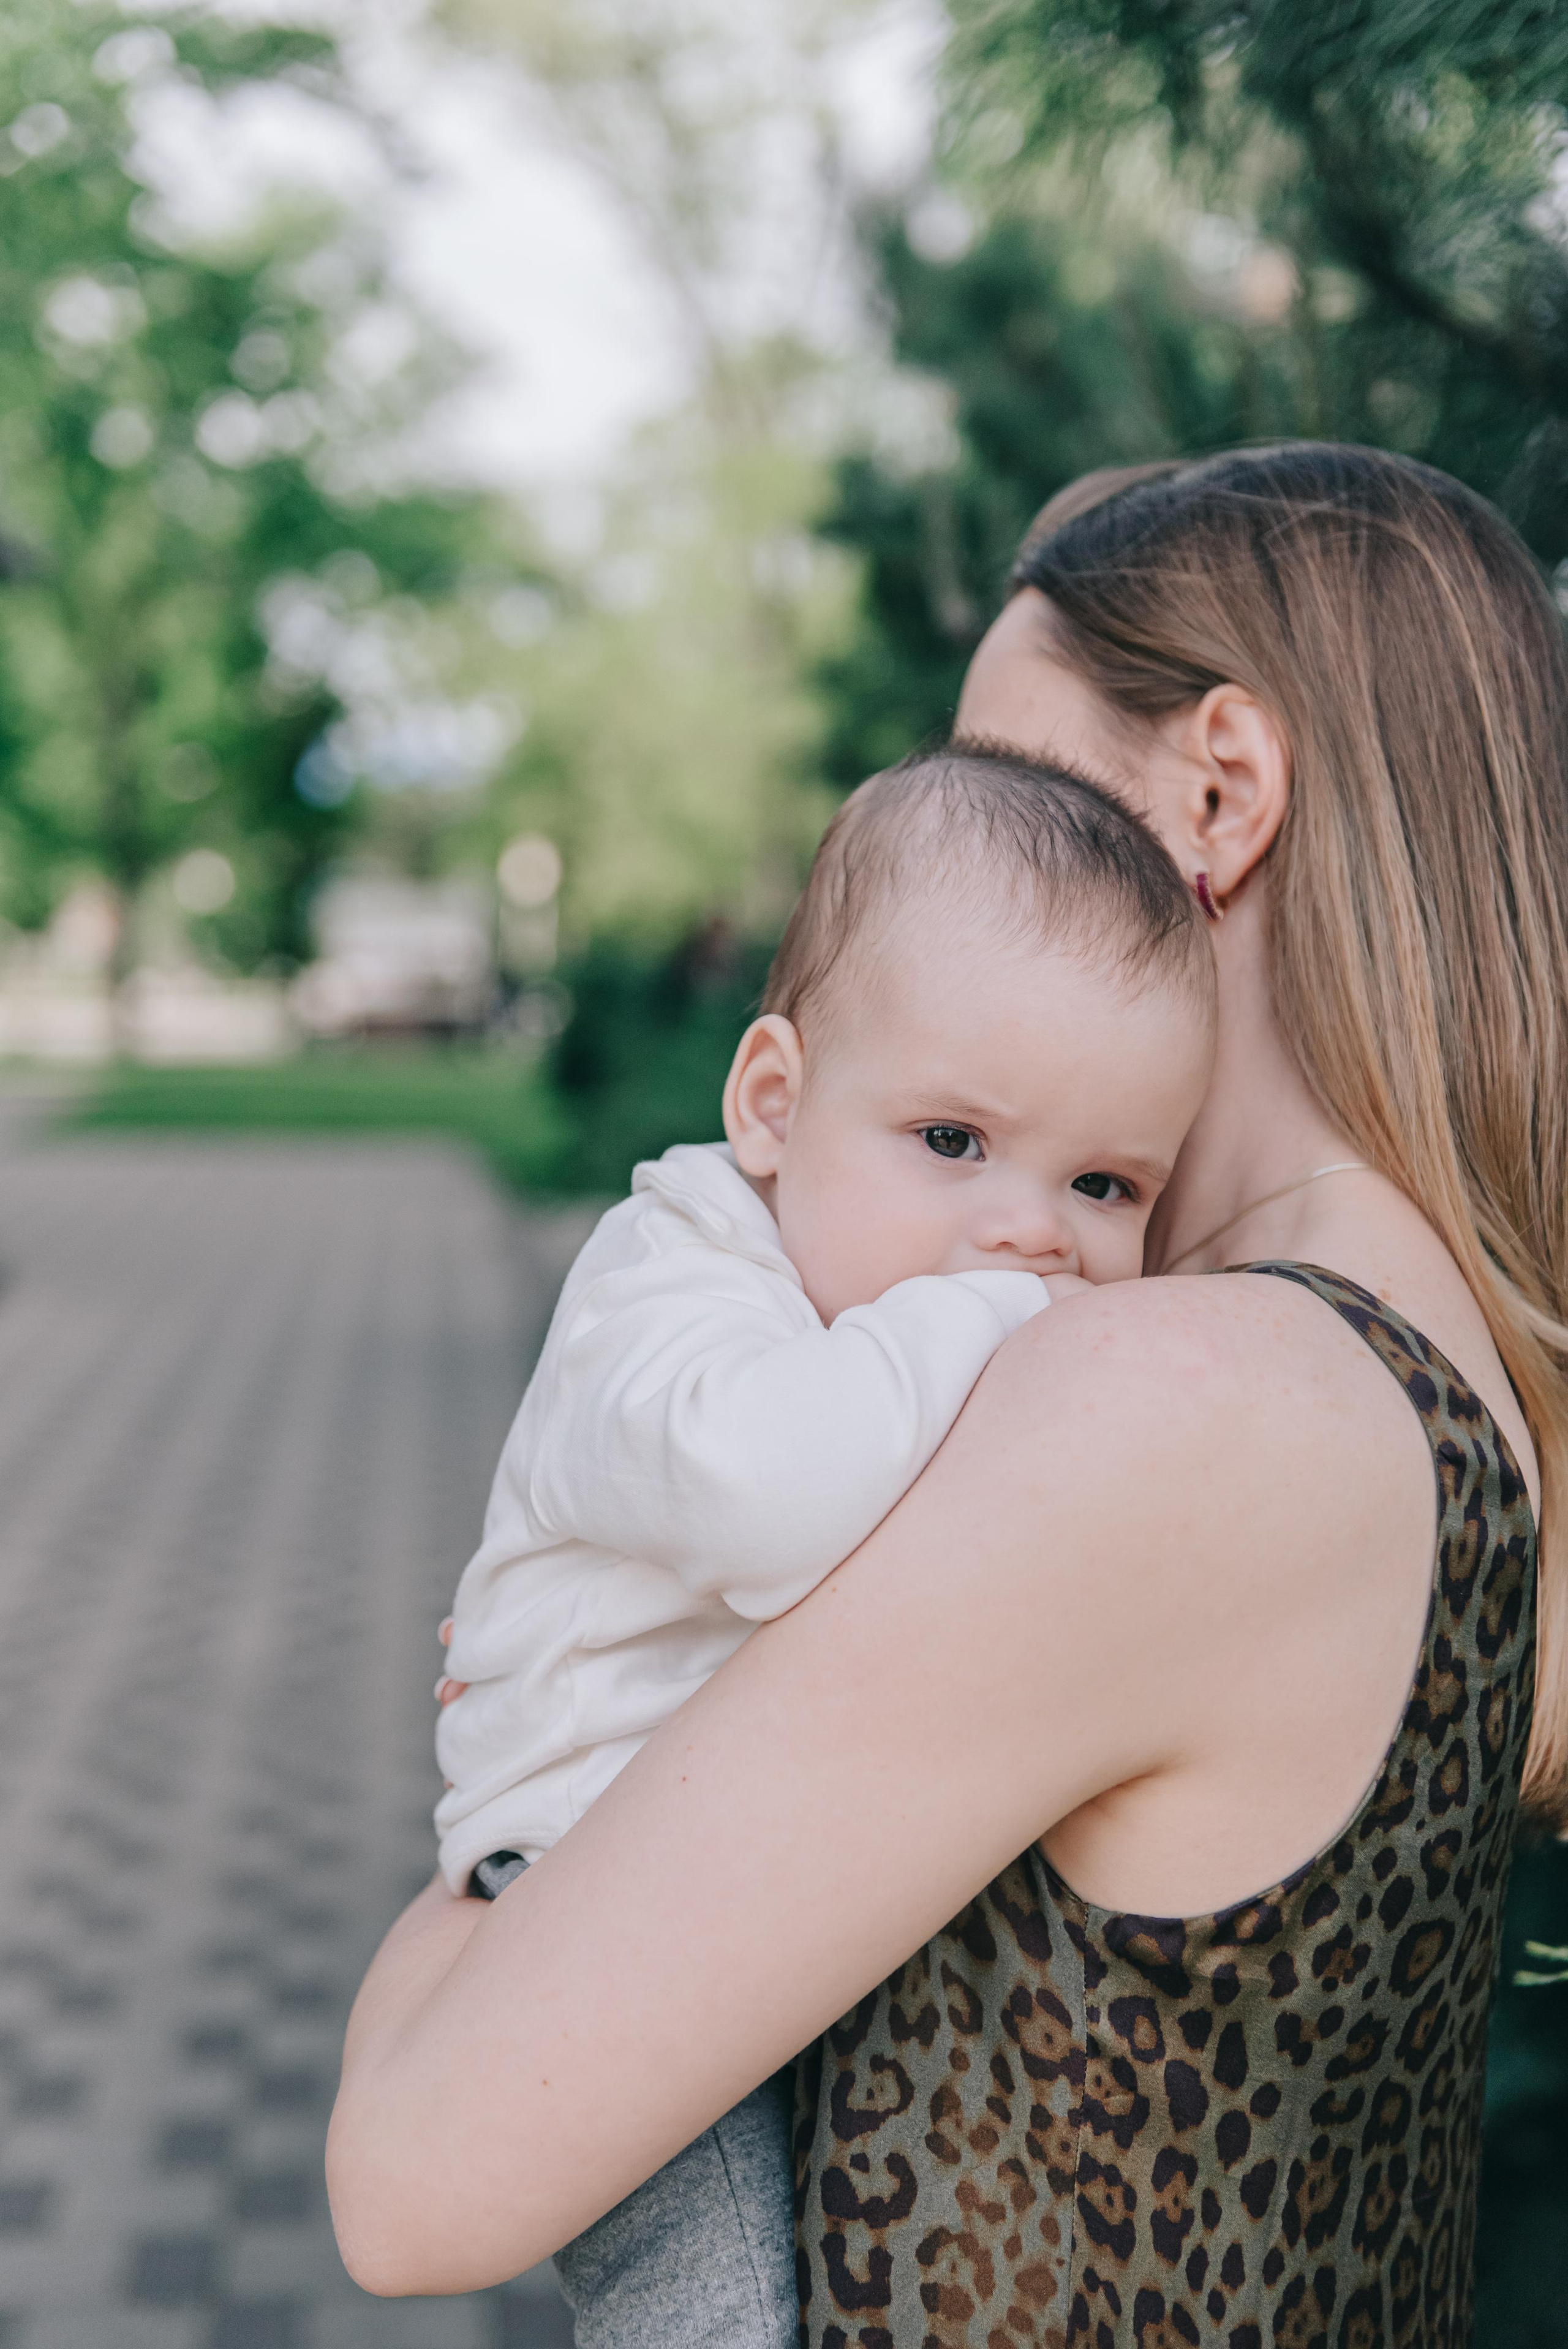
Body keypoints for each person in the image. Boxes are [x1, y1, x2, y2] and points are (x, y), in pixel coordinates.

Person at [327, 445, 1567, 2347]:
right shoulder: (1448, 1393)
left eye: (1019, 785)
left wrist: (523, 1763)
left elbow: (415, 2178)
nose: (967, 857)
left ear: (1218, 793)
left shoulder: (1161, 1400)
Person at [432, 744, 1217, 2349]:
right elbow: (765, 1500)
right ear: (772, 1103)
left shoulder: (871, 1317)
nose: (1029, 1227)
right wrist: (991, 1312)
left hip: (749, 1870)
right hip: (597, 1890)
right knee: (710, 2300)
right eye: (952, 1141)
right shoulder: (673, 1284)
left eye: (1103, 1182)